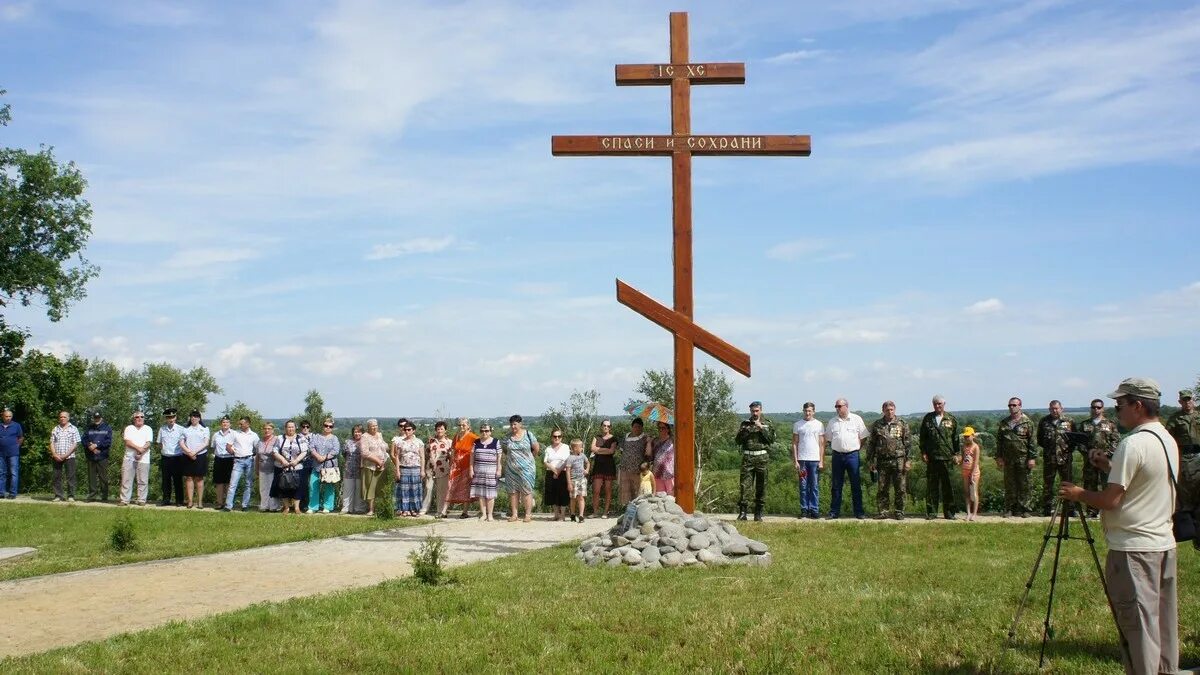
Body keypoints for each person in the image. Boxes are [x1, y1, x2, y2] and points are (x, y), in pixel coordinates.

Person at [1058, 377, 1179, 675]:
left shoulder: (1132, 443)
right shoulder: (1165, 438)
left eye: (1120, 404)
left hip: (1134, 549)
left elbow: (1110, 500)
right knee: (1162, 624)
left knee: (1138, 628)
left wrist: (1078, 494)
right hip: (1163, 543)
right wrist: (1109, 467)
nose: (1116, 411)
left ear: (1138, 405)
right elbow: (1144, 482)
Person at [865, 400, 912, 520]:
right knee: (882, 488)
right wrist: (870, 461)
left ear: (894, 410)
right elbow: (871, 444)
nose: (889, 412)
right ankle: (883, 511)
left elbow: (908, 443)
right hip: (882, 460)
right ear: (883, 411)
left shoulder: (902, 423)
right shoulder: (877, 424)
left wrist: (908, 460)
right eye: (887, 410)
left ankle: (899, 511)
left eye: (891, 409)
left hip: (899, 460)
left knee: (900, 488)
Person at [1166, 389, 1199, 551]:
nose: (1187, 403)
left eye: (1190, 400)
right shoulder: (1175, 419)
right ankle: (1187, 533)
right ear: (1180, 402)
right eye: (1184, 400)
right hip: (1185, 458)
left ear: (1194, 400)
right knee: (1186, 499)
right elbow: (1167, 439)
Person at [920, 395, 962, 520]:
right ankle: (932, 512)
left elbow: (956, 439)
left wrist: (957, 454)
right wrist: (923, 453)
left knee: (947, 486)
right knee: (932, 486)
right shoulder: (928, 418)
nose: (937, 406)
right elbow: (923, 438)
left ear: (944, 404)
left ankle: (949, 512)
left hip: (947, 458)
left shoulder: (951, 419)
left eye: (939, 404)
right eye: (935, 404)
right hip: (932, 458)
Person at [823, 399, 866, 521]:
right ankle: (834, 512)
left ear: (846, 406)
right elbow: (829, 438)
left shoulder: (856, 419)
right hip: (837, 456)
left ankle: (859, 512)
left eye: (839, 406)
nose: (837, 408)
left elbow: (863, 437)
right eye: (836, 406)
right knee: (836, 485)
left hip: (852, 456)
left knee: (855, 484)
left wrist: (857, 448)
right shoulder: (832, 421)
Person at [1080, 398, 1121, 518]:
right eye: (1093, 407)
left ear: (1102, 409)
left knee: (1107, 485)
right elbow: (1080, 442)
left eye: (1098, 407)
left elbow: (1116, 441)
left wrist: (1106, 454)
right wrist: (1088, 453)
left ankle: (1106, 510)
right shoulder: (1084, 424)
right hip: (1090, 461)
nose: (1096, 409)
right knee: (1090, 485)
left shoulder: (1110, 424)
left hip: (1106, 461)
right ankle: (1091, 511)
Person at [996, 397, 1036, 518]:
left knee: (1025, 484)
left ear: (1020, 406)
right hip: (1008, 458)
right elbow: (999, 442)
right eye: (1010, 405)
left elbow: (1032, 442)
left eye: (1014, 405)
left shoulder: (1027, 422)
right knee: (1009, 484)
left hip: (1023, 458)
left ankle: (1025, 509)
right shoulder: (1004, 423)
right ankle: (1009, 509)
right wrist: (999, 457)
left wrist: (1032, 458)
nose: (1011, 407)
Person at [737, 401, 775, 521]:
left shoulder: (767, 423)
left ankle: (758, 513)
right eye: (753, 411)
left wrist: (761, 429)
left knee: (761, 485)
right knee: (745, 486)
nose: (755, 413)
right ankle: (743, 512)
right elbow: (737, 441)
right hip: (748, 458)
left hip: (762, 458)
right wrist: (746, 431)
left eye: (757, 411)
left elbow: (771, 440)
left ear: (761, 410)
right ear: (750, 411)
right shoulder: (745, 424)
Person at [1037, 400, 1075, 516]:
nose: (1055, 410)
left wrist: (1067, 451)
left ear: (1061, 409)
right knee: (1048, 484)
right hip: (1050, 458)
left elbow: (1075, 439)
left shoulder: (1069, 421)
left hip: (1065, 458)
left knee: (1067, 484)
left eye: (1057, 408)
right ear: (1049, 409)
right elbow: (1040, 439)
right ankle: (1047, 509)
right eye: (1052, 408)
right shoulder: (1044, 421)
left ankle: (1069, 510)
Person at [500, 414, 538, 522]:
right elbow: (505, 450)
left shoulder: (528, 434)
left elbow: (536, 449)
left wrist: (528, 461)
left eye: (515, 424)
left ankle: (528, 514)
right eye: (511, 424)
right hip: (511, 470)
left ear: (520, 424)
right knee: (512, 492)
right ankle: (514, 514)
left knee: (527, 491)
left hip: (527, 469)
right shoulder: (507, 437)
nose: (513, 427)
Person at [792, 402, 824, 519]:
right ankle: (804, 509)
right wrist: (795, 460)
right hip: (802, 461)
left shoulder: (819, 425)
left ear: (813, 412)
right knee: (803, 486)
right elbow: (795, 443)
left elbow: (821, 444)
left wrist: (821, 460)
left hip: (814, 460)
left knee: (814, 486)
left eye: (810, 411)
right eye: (806, 411)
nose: (808, 413)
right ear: (803, 411)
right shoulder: (798, 425)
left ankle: (814, 509)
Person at [271, 421, 308, 514]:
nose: (290, 429)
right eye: (288, 427)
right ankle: (286, 507)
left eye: (292, 427)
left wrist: (296, 461)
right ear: (285, 428)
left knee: (298, 487)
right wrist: (283, 460)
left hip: (297, 466)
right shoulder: (279, 438)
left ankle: (296, 508)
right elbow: (274, 451)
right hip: (282, 466)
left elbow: (304, 451)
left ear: (295, 428)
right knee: (283, 487)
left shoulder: (301, 438)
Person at [392, 421, 425, 517]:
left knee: (415, 490)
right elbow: (397, 457)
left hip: (415, 468)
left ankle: (414, 509)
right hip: (404, 468)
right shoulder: (400, 442)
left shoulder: (419, 442)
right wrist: (397, 470)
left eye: (409, 429)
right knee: (404, 490)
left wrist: (422, 470)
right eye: (405, 429)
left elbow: (422, 457)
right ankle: (404, 509)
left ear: (413, 430)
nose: (407, 431)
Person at [225, 416, 258, 512]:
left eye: (241, 424)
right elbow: (228, 446)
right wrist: (233, 453)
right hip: (238, 461)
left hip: (249, 460)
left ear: (248, 424)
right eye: (239, 423)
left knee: (248, 484)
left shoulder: (254, 435)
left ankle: (245, 505)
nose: (239, 425)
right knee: (233, 483)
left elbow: (257, 447)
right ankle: (228, 506)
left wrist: (254, 456)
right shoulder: (235, 433)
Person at [119, 411, 153, 506]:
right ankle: (124, 500)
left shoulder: (148, 429)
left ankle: (141, 500)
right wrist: (139, 449)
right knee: (126, 479)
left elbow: (148, 443)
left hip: (144, 458)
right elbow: (128, 442)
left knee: (143, 480)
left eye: (142, 417)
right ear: (134, 419)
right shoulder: (129, 428)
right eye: (137, 417)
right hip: (129, 458)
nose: (139, 418)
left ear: (144, 418)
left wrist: (141, 452)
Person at [446, 418, 477, 518]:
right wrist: (451, 464)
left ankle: (465, 511)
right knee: (451, 487)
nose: (461, 427)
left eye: (463, 425)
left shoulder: (473, 437)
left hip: (467, 465)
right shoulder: (456, 437)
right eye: (459, 425)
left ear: (468, 426)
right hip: (456, 466)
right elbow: (453, 451)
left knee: (466, 488)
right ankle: (444, 511)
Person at [470, 423, 502, 521]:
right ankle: (483, 514)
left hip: (491, 472)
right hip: (478, 471)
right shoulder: (476, 442)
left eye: (486, 431)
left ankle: (490, 515)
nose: (484, 432)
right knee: (481, 494)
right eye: (482, 431)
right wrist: (471, 469)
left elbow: (499, 458)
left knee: (490, 494)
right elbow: (472, 457)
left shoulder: (496, 442)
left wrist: (499, 469)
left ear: (490, 431)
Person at [308, 419, 340, 514]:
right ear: (323, 426)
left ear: (332, 428)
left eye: (330, 426)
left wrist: (324, 457)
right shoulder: (316, 436)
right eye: (326, 425)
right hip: (316, 465)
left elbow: (335, 450)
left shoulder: (335, 438)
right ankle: (313, 507)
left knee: (329, 486)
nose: (327, 428)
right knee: (313, 486)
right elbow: (311, 447)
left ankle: (327, 506)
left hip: (329, 466)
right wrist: (318, 456)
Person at [179, 410, 210, 509]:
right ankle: (190, 501)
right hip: (187, 455)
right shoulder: (185, 429)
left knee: (199, 478)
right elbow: (181, 443)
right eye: (192, 416)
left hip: (200, 455)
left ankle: (200, 502)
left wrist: (194, 452)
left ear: (199, 418)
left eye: (196, 416)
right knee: (189, 478)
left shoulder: (205, 429)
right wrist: (189, 452)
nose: (194, 418)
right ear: (190, 418)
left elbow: (206, 443)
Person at [422, 421, 453, 517]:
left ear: (445, 430)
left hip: (443, 469)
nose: (439, 431)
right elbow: (426, 454)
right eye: (438, 429)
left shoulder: (449, 442)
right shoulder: (431, 441)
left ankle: (440, 511)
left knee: (441, 491)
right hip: (430, 468)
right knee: (428, 488)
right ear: (435, 430)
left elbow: (451, 457)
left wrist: (451, 469)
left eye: (441, 429)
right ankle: (424, 508)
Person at [359, 419, 389, 517]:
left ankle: (380, 508)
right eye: (372, 426)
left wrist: (383, 459)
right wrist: (377, 460)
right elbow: (364, 453)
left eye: (376, 425)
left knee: (380, 488)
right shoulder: (364, 437)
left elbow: (385, 446)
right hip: (370, 466)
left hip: (382, 466)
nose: (374, 427)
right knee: (371, 487)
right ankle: (371, 509)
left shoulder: (379, 435)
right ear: (368, 427)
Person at [48, 410, 80, 502]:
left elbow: (75, 444)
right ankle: (58, 495)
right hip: (56, 457)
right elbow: (51, 442)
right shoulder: (55, 429)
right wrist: (54, 454)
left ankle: (71, 496)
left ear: (68, 418)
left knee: (71, 476)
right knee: (56, 477)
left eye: (64, 417)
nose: (62, 418)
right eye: (61, 417)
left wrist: (65, 455)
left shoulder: (73, 429)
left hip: (69, 457)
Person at [156, 408, 186, 506]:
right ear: (166, 418)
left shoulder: (181, 429)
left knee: (177, 480)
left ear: (176, 417)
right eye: (169, 417)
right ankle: (166, 499)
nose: (171, 419)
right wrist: (164, 450)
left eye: (173, 417)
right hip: (166, 457)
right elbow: (159, 443)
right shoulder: (162, 429)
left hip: (177, 457)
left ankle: (179, 500)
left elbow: (184, 443)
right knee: (166, 480)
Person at [590, 420, 618, 518]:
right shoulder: (596, 437)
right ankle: (595, 512)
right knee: (596, 490)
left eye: (608, 426)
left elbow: (611, 451)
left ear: (610, 427)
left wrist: (598, 450)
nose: (606, 427)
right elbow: (592, 449)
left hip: (609, 466)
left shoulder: (613, 439)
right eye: (604, 425)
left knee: (608, 490)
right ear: (601, 426)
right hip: (598, 466)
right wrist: (605, 450)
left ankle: (605, 512)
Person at [617, 418, 648, 507]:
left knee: (637, 490)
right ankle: (627, 509)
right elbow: (622, 451)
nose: (637, 428)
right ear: (632, 427)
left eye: (639, 427)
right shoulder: (626, 437)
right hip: (625, 468)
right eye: (635, 426)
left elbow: (648, 453)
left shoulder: (645, 437)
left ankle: (638, 508)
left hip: (638, 470)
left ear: (642, 428)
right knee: (626, 489)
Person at [83, 411, 113, 502]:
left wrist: (96, 445)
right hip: (91, 455)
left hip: (102, 456)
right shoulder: (89, 427)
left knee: (103, 477)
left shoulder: (107, 428)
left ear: (101, 418)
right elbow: (83, 439)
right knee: (91, 477)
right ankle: (92, 496)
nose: (97, 419)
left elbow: (108, 442)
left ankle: (104, 496)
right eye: (95, 418)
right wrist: (90, 446)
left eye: (98, 418)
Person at [542, 429, 571, 521]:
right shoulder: (548, 448)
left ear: (561, 438)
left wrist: (558, 472)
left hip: (563, 472)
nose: (557, 438)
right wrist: (554, 470)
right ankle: (556, 515)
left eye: (559, 436)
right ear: (551, 437)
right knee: (552, 493)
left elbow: (567, 460)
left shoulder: (566, 447)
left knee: (563, 494)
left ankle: (562, 516)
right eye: (555, 436)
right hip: (550, 472)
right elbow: (545, 461)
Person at [210, 416, 237, 510]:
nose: (225, 424)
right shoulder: (215, 435)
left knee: (230, 482)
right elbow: (212, 447)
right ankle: (219, 503)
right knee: (219, 482)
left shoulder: (234, 434)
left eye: (227, 422)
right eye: (223, 422)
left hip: (230, 459)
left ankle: (228, 503)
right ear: (221, 424)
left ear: (230, 424)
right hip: (219, 459)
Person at [255, 423, 281, 512]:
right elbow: (257, 456)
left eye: (269, 428)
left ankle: (273, 506)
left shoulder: (277, 440)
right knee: (263, 488)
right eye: (265, 428)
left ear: (273, 430)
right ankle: (264, 506)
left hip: (273, 468)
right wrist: (256, 468)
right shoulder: (260, 441)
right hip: (262, 468)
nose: (267, 430)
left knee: (272, 487)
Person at [340, 424, 364, 515]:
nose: (357, 433)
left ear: (362, 433)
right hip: (349, 468)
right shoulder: (347, 442)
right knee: (347, 489)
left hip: (361, 469)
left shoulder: (364, 442)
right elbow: (343, 453)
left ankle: (359, 508)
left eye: (359, 431)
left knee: (359, 489)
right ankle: (346, 508)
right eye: (355, 431)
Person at [0, 407, 23, 499]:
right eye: (6, 416)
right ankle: (1, 493)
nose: (8, 418)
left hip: (13, 453)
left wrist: (16, 446)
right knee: (1, 473)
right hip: (0, 453)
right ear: (3, 417)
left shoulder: (16, 425)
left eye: (10, 416)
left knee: (13, 473)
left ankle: (12, 493)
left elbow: (21, 437)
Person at [564, 439, 589, 523]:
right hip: (573, 481)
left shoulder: (582, 455)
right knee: (573, 498)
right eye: (580, 447)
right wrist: (569, 483)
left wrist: (587, 469)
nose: (582, 448)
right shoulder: (570, 458)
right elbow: (567, 471)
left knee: (581, 497)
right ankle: (573, 514)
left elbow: (588, 462)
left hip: (582, 480)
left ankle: (581, 515)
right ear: (575, 448)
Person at [961, 427, 982, 521]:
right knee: (966, 492)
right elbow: (963, 458)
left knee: (974, 492)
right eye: (965, 436)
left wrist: (973, 474)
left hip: (974, 472)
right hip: (965, 470)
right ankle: (968, 512)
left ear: (973, 436)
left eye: (968, 436)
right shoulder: (964, 446)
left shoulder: (976, 447)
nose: (966, 438)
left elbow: (976, 461)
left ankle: (974, 513)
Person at [650, 422, 675, 495]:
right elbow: (650, 456)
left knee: (671, 498)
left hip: (669, 474)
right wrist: (649, 442)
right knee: (659, 499)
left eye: (663, 428)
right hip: (657, 474)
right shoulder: (655, 441)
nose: (661, 430)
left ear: (668, 429)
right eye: (659, 428)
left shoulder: (673, 441)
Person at [295, 420, 314, 512]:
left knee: (313, 484)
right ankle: (303, 504)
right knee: (302, 484)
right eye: (303, 426)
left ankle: (313, 504)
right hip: (301, 462)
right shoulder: (297, 437)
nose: (305, 428)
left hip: (313, 462)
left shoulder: (314, 436)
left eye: (307, 426)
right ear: (300, 427)